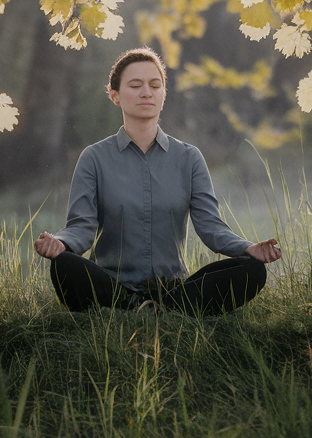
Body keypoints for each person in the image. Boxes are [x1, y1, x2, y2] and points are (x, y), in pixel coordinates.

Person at [34, 47, 281, 314]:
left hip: (174, 288)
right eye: (135, 85)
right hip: (112, 285)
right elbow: (81, 227)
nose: (146, 92)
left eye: (155, 85)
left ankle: (166, 307)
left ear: (163, 94)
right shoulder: (94, 158)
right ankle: (133, 306)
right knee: (64, 265)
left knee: (251, 270)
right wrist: (60, 243)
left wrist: (248, 248)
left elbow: (212, 228)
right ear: (114, 94)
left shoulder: (189, 158)